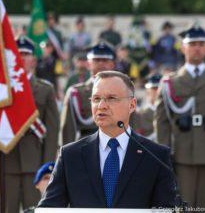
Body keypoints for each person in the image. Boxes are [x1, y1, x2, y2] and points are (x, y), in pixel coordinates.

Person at [38, 71, 176, 208]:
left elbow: (166, 209)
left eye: (111, 98)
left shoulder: (156, 156)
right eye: (96, 99)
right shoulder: (70, 155)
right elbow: (48, 208)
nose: (101, 106)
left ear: (132, 105)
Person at [155, 24, 205, 209]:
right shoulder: (169, 82)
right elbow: (162, 123)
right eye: (192, 44)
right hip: (181, 155)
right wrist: (164, 155)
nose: (197, 48)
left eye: (201, 43)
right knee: (183, 207)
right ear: (183, 48)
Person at [0, 36, 59, 213]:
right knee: (8, 209)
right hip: (7, 157)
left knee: (35, 210)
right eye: (18, 54)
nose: (22, 58)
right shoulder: (1, 87)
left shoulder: (45, 89)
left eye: (26, 54)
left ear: (34, 59)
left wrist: (48, 164)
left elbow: (52, 130)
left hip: (35, 161)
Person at [61, 41, 116, 145]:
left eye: (105, 60)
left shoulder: (123, 91)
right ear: (88, 64)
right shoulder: (76, 93)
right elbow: (68, 130)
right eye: (96, 60)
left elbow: (132, 127)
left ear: (112, 64)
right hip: (85, 147)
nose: (100, 63)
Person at [132, 73, 162, 141]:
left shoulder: (169, 112)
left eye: (160, 88)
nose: (157, 91)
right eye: (154, 88)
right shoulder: (140, 114)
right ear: (148, 90)